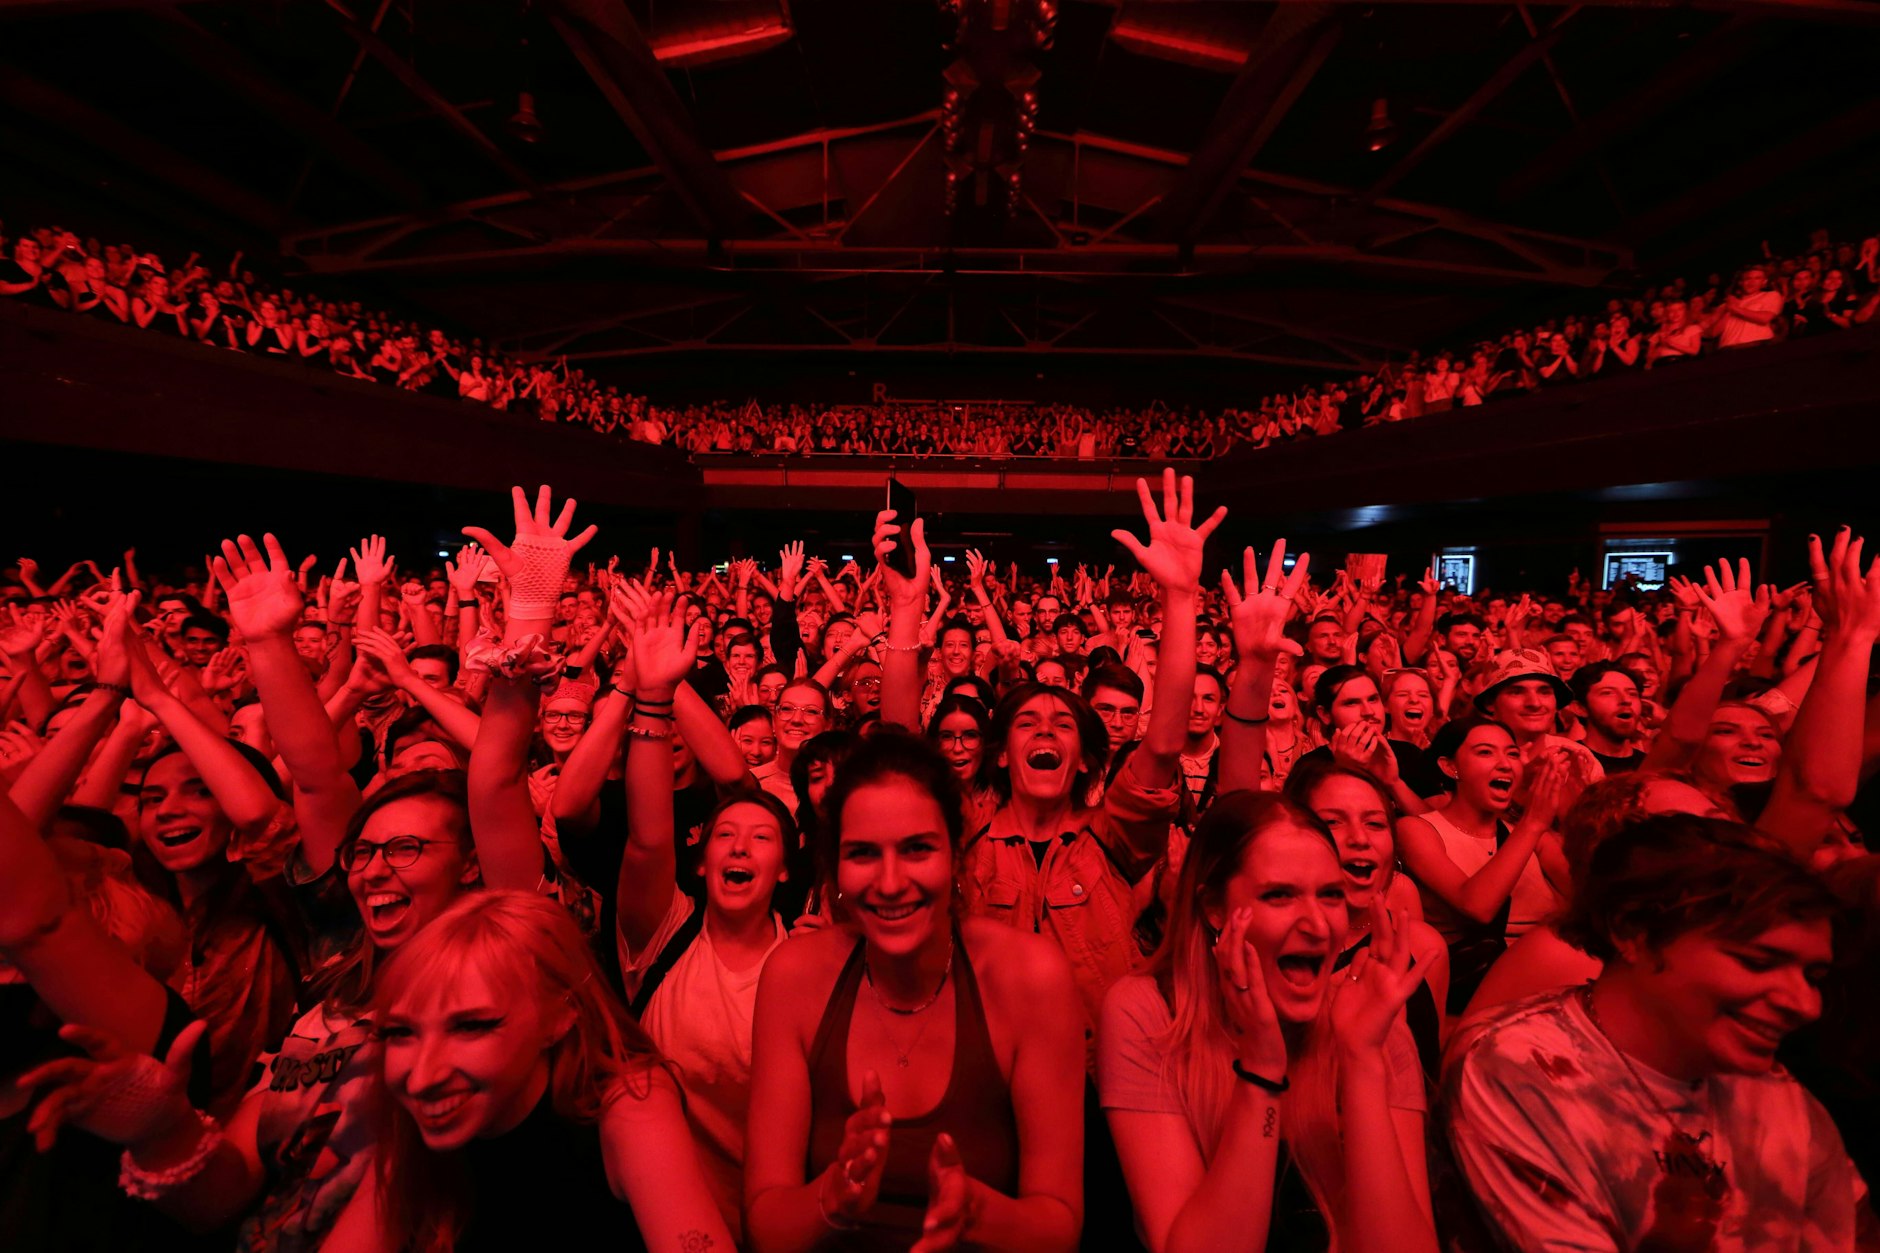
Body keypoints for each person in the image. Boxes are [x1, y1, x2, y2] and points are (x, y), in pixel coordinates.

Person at [1444, 815, 1876, 1251]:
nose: (1805, 1005)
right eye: (1757, 962)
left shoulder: (1774, 1091)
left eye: (1813, 976)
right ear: (1634, 931)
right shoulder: (1517, 1069)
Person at [744, 732, 1085, 1252]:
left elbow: (1059, 1225)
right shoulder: (795, 977)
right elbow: (767, 1223)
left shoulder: (1030, 978)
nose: (890, 882)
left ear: (956, 854)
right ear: (834, 866)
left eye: (917, 849)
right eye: (862, 853)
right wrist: (831, 1197)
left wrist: (976, 1211)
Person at [1098, 791, 1436, 1253]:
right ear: (1214, 908)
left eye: (1331, 895)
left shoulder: (1369, 1022)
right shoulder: (1149, 1014)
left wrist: (1361, 1061)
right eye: (1280, 895)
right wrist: (1260, 1069)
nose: (1318, 925)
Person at [360, 890, 731, 1253]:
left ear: (559, 1016)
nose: (422, 1078)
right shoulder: (411, 1126)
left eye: (471, 1027)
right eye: (401, 1032)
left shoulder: (628, 1106)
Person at [613, 588, 794, 1238]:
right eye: (724, 835)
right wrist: (654, 699)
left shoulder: (806, 961)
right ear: (700, 861)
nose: (741, 845)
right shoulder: (663, 932)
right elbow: (647, 837)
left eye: (761, 837)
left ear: (785, 868)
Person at [1396, 716, 1567, 1014]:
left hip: (1552, 983)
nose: (1505, 764)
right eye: (1486, 752)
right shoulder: (1418, 829)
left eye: (1512, 754)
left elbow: (1593, 895)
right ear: (1450, 767)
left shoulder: (1531, 834)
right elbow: (1477, 905)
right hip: (1478, 997)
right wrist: (1533, 823)